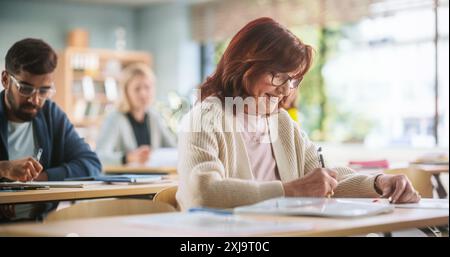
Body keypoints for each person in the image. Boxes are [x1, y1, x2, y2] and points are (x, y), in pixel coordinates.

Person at [176, 17, 420, 210]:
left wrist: (378, 182)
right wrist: (290, 190)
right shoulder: (205, 117)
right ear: (245, 66)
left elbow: (323, 178)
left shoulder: (281, 122)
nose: (285, 90)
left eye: (292, 80)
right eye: (277, 75)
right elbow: (203, 193)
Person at [0, 38, 101, 221]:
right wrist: (4, 169)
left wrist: (40, 179)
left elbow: (91, 164)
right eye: (25, 88)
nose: (35, 100)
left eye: (44, 91)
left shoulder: (51, 115)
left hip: (39, 226)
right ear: (6, 79)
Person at [96, 63, 176, 166]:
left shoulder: (154, 117)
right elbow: (100, 156)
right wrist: (127, 158)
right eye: (137, 88)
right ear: (126, 91)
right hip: (124, 180)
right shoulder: (115, 118)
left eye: (147, 87)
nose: (143, 93)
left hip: (154, 179)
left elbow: (173, 149)